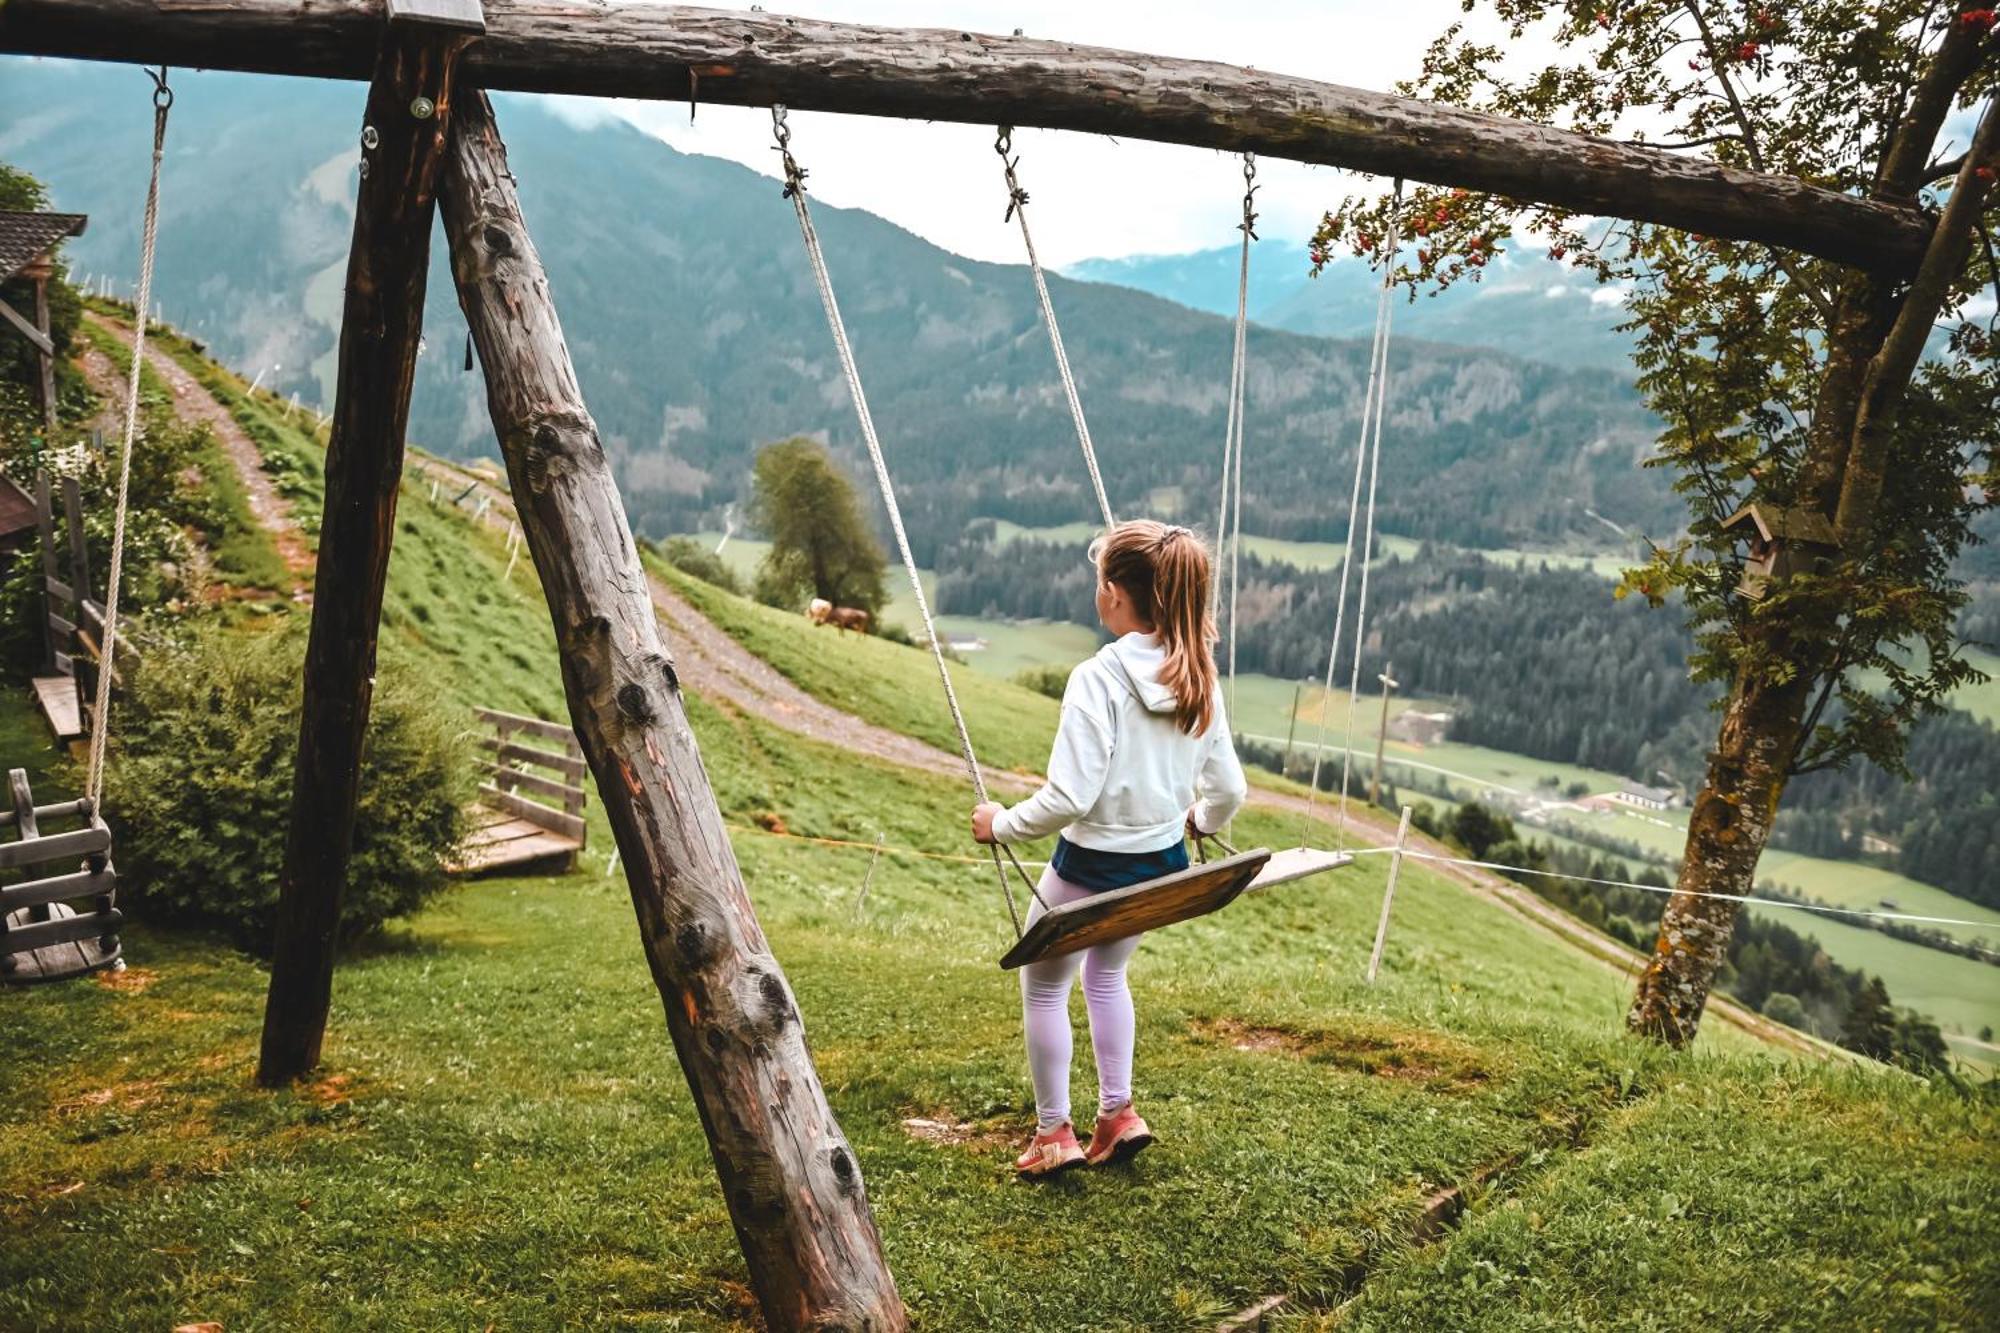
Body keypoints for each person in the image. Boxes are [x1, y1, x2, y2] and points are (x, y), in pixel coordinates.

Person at [971, 519, 1247, 1179]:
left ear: (1118, 595)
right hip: (1158, 870)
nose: (1097, 593)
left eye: (1101, 581)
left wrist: (1000, 822)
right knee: (1107, 975)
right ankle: (1117, 1113)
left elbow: (1068, 798)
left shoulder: (1096, 678)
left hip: (1087, 869)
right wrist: (1200, 820)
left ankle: (1052, 1133)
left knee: (1045, 988)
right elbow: (1229, 788)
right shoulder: (1199, 676)